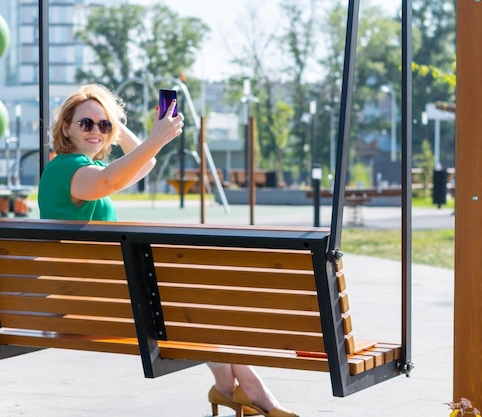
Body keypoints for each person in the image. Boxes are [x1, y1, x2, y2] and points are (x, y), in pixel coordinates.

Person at [38, 84, 298, 417]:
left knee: (195, 303)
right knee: (195, 303)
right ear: (66, 127)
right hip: (93, 302)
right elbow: (108, 183)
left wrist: (114, 129)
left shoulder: (80, 167)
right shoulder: (69, 169)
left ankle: (231, 389)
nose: (96, 131)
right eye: (85, 123)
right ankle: (252, 394)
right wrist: (155, 136)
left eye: (103, 125)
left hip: (95, 295)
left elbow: (144, 165)